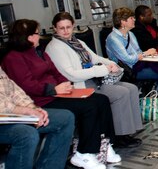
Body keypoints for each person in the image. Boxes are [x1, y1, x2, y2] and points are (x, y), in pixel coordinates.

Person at [2, 19, 119, 169]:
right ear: (29, 37)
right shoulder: (13, 58)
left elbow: (55, 72)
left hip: (57, 93)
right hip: (42, 99)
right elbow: (26, 85)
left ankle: (104, 145)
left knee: (101, 100)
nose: (40, 37)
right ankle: (84, 153)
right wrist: (53, 89)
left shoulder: (39, 52)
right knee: (89, 107)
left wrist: (65, 85)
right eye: (37, 34)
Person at [45, 12, 144, 149]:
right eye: (62, 28)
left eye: (69, 27)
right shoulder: (55, 47)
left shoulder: (77, 42)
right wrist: (103, 70)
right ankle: (119, 136)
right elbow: (71, 75)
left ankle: (129, 130)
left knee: (131, 88)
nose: (66, 31)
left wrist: (110, 63)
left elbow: (94, 58)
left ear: (73, 26)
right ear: (54, 29)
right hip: (80, 85)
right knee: (120, 93)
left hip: (93, 80)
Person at [0, 67, 75, 169]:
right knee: (27, 134)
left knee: (65, 118)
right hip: (4, 118)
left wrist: (33, 108)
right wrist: (27, 111)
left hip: (9, 115)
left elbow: (14, 91)